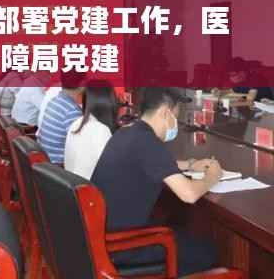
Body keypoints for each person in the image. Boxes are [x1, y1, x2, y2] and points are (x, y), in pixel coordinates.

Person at [91, 87, 222, 277]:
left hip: (102, 238)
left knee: (182, 233)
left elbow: (150, 162)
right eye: (175, 117)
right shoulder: (148, 142)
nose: (175, 124)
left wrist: (191, 164)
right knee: (207, 252)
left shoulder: (128, 132)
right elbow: (189, 194)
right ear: (165, 113)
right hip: (123, 246)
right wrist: (212, 177)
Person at [64, 81, 117, 180]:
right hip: (90, 188)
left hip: (73, 184)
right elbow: (113, 171)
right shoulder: (100, 130)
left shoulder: (77, 123)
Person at [38, 70, 86, 164]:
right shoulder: (72, 111)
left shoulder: (54, 100)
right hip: (59, 165)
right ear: (82, 84)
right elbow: (81, 147)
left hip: (46, 160)